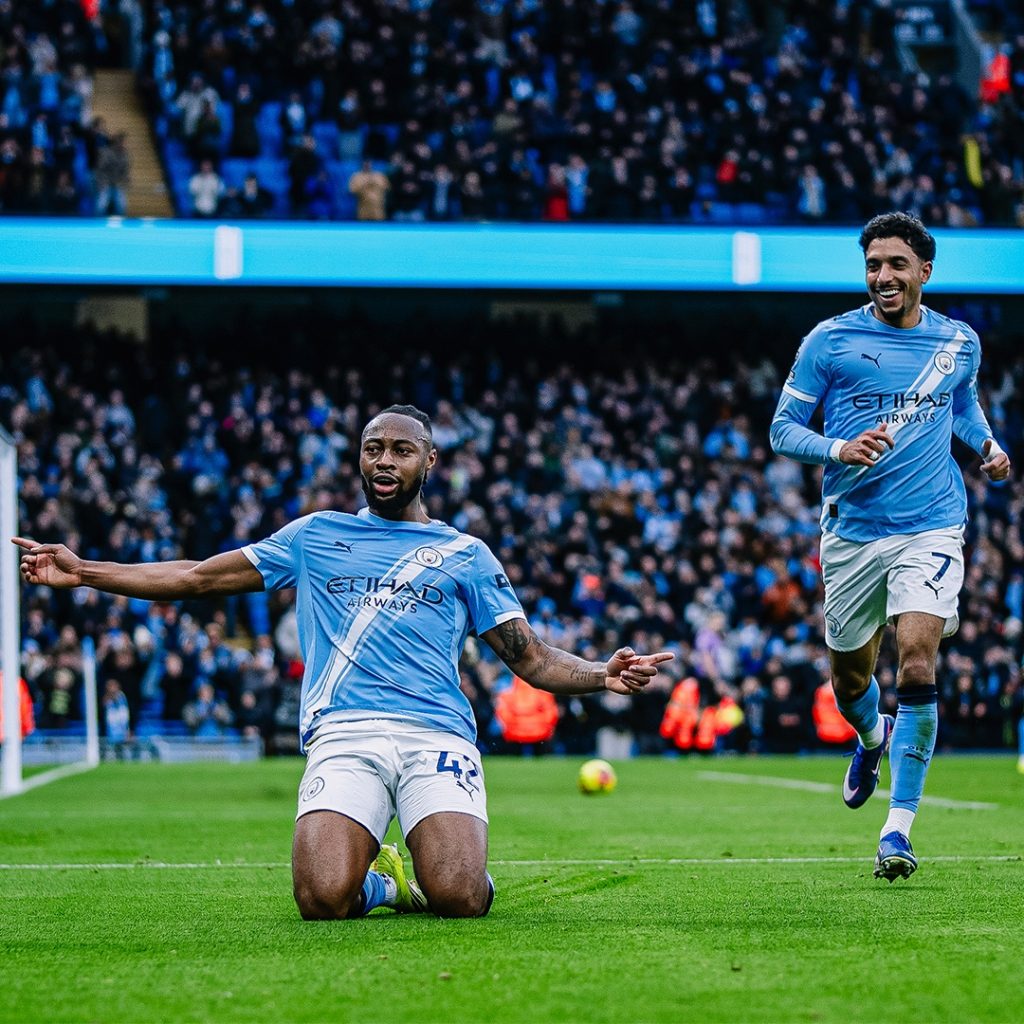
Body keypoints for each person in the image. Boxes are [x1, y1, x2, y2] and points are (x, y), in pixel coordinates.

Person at [13, 404, 672, 919]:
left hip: (435, 733)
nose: (385, 461)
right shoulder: (316, 535)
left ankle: (430, 873)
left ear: (429, 461)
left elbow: (529, 658)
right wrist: (86, 571)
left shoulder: (466, 554)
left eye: (401, 450)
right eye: (373, 449)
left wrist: (600, 674)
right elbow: (196, 578)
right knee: (322, 898)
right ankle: (383, 883)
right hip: (344, 733)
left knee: (461, 899)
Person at [769, 212, 1011, 881]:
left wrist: (985, 446)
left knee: (916, 661)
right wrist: (837, 447)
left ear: (925, 271)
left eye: (897, 264)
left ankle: (897, 830)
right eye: (874, 264)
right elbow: (782, 430)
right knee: (852, 681)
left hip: (932, 525)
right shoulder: (831, 341)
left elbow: (960, 405)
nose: (883, 277)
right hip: (851, 533)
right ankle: (871, 737)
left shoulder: (958, 342)